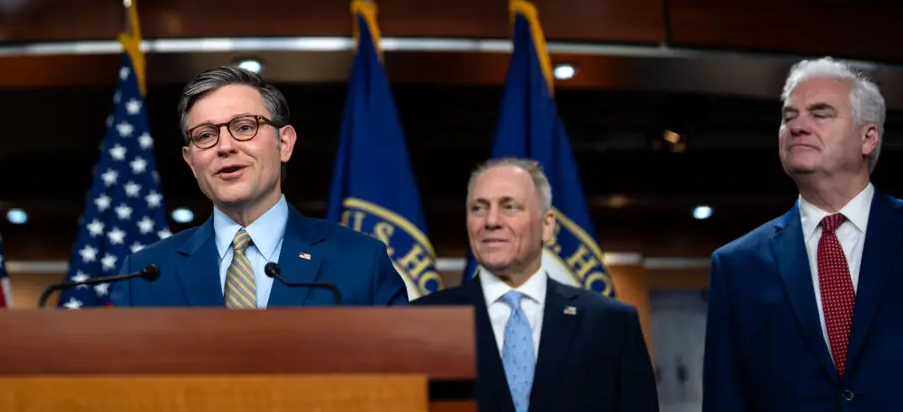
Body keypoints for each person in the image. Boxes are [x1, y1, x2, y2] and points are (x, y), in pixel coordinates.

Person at [111, 65, 407, 307]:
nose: (225, 146)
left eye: (244, 127)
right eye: (205, 135)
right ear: (190, 161)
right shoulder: (144, 275)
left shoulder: (361, 263)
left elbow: (402, 373)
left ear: (284, 143)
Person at [702, 57, 903, 411]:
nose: (797, 126)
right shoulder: (737, 266)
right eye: (789, 116)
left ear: (868, 137)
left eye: (820, 113)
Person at [412, 158, 659, 412]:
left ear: (547, 225)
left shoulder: (611, 323)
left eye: (509, 207)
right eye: (478, 208)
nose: (491, 221)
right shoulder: (420, 321)